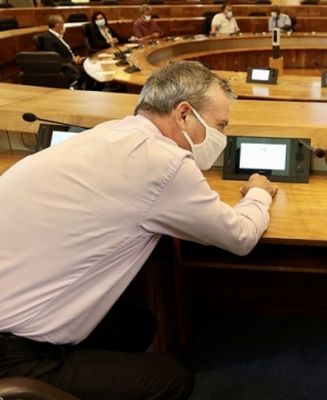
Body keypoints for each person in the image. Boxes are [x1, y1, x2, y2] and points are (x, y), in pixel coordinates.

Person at [0, 61, 278, 399]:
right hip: (13, 355)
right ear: (184, 114)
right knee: (172, 379)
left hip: (11, 317)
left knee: (136, 324)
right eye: (220, 125)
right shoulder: (165, 162)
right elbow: (241, 236)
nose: (223, 136)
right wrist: (259, 192)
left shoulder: (108, 133)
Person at [38, 15, 85, 87]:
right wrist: (73, 61)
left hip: (72, 63)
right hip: (66, 68)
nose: (64, 25)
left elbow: (67, 50)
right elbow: (54, 59)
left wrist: (75, 58)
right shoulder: (48, 38)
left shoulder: (58, 36)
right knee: (88, 73)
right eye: (63, 23)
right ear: (57, 24)